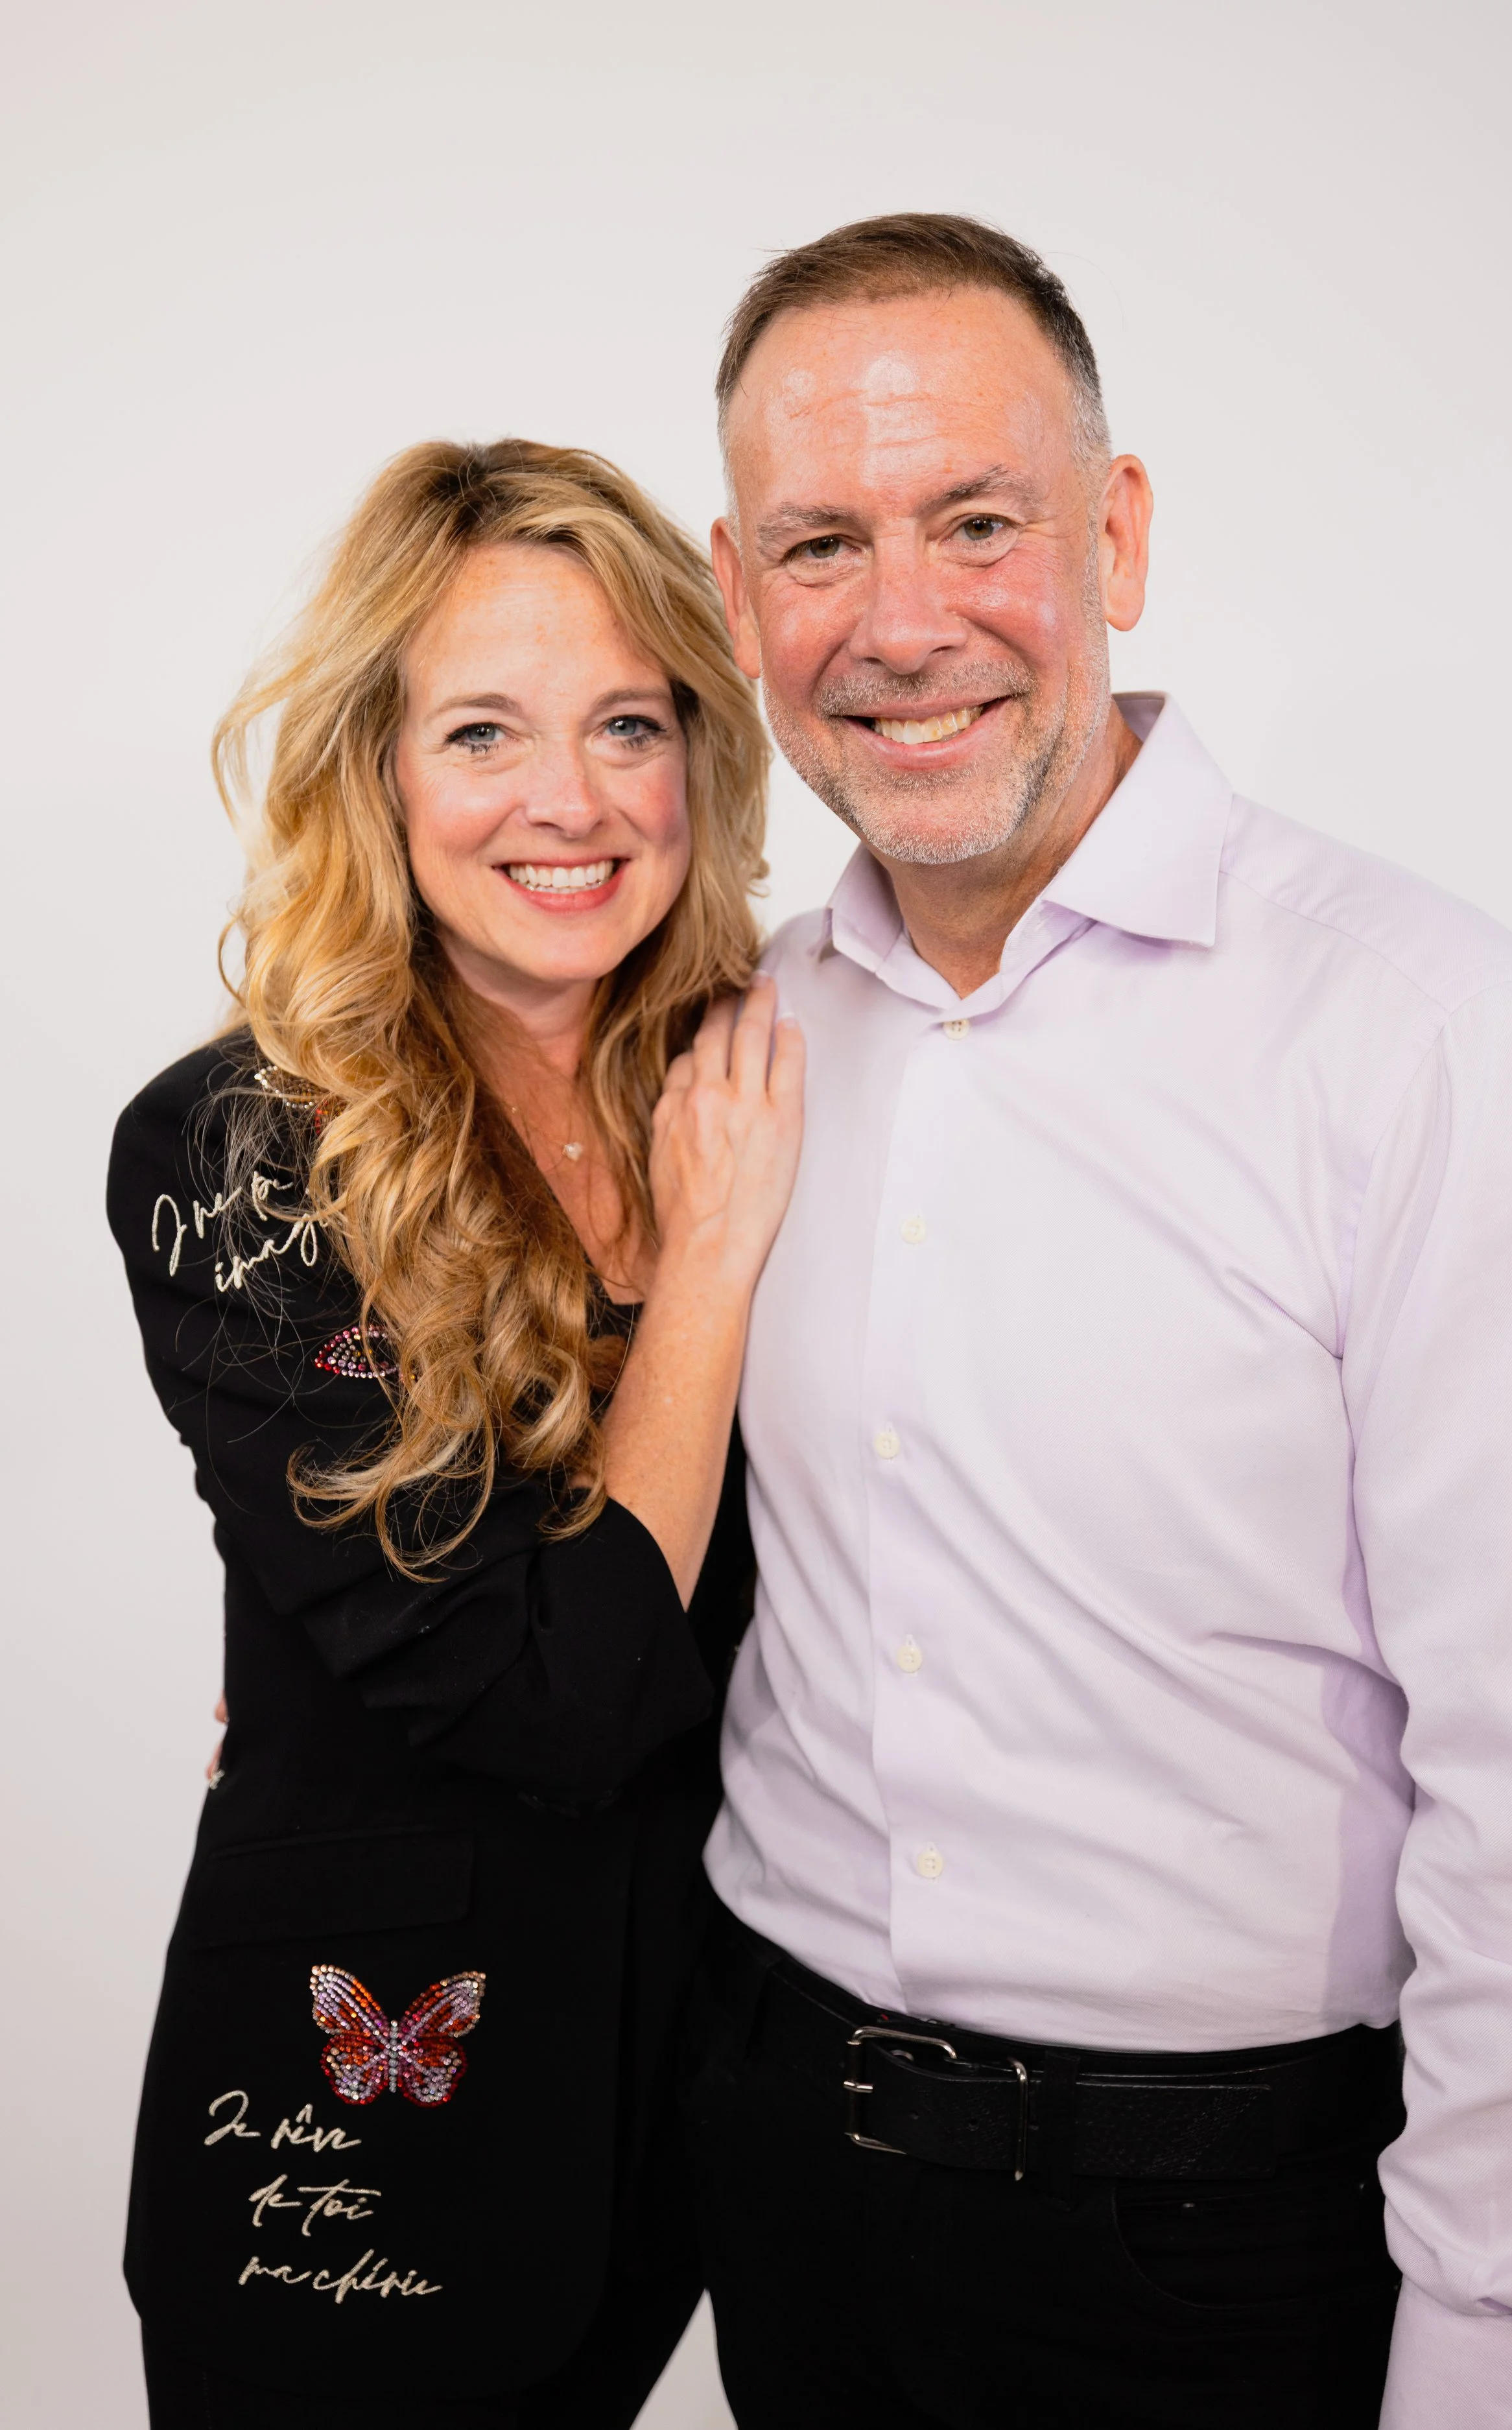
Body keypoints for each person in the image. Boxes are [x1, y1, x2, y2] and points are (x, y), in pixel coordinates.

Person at [682, 212, 1512, 2429]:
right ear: (734, 594)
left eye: (975, 521)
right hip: (785, 2175)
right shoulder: (736, 1035)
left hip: (1227, 2243)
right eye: (820, 544)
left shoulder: (1416, 1031)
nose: (900, 625)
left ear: (1111, 534)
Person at [107, 437, 803, 2429]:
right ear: (379, 771)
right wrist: (709, 1267)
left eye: (626, 723)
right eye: (483, 729)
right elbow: (554, 1700)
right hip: (364, 2135)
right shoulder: (239, 1152)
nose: (569, 799)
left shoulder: (760, 1069)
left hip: (727, 2099)